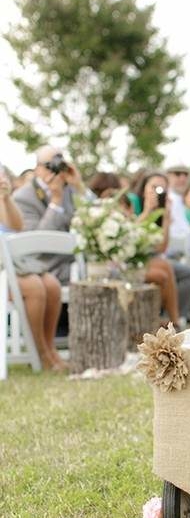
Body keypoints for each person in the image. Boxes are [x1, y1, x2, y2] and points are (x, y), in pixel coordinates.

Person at [0, 167, 67, 371]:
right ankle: (40, 352)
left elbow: (16, 227)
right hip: (5, 271)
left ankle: (50, 348)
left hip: (12, 264)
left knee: (52, 284)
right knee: (34, 287)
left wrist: (6, 198)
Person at [11, 145, 90, 283]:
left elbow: (98, 214)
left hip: (76, 265)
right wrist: (55, 202)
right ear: (37, 168)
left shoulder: (70, 189)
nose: (56, 170)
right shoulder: (22, 197)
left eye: (60, 164)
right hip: (45, 270)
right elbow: (36, 245)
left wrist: (79, 185)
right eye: (50, 165)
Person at [131, 172, 190, 325]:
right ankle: (173, 322)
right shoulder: (134, 202)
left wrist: (166, 218)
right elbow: (129, 235)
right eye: (153, 187)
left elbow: (161, 247)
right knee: (164, 269)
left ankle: (174, 318)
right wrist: (147, 211)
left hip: (153, 257)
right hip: (132, 258)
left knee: (186, 272)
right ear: (144, 188)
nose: (157, 192)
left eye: (162, 189)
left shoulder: (161, 210)